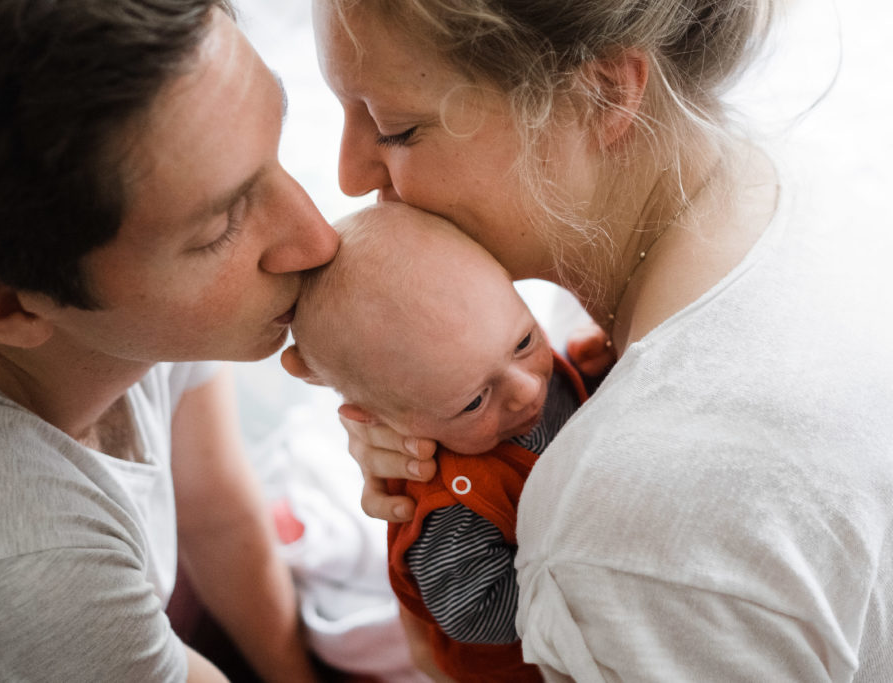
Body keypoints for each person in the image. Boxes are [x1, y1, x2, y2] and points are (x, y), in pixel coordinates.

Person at [298, 0, 893, 679]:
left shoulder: (614, 535)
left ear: (602, 94)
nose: (349, 174)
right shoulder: (779, 177)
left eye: (395, 127)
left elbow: (437, 658)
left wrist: (415, 567)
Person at [0, 2, 339, 681]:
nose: (317, 236)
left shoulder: (136, 278)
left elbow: (217, 508)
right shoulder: (17, 574)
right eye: (220, 226)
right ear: (1, 304)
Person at [290, 202, 596, 683]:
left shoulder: (492, 363)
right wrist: (592, 562)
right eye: (474, 401)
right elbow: (474, 615)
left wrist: (586, 366)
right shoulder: (452, 507)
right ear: (382, 421)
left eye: (523, 342)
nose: (526, 390)